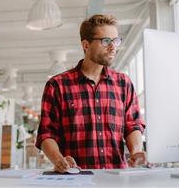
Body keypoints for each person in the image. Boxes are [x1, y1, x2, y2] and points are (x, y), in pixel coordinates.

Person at [36, 14, 146, 172]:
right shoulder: (57, 85)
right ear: (86, 45)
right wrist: (59, 160)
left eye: (116, 41)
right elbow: (46, 133)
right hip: (75, 179)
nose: (113, 47)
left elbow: (132, 126)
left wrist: (136, 152)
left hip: (116, 179)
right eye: (106, 41)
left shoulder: (124, 83)